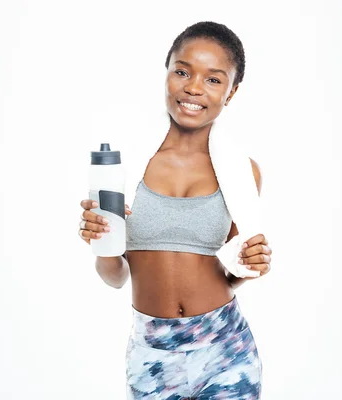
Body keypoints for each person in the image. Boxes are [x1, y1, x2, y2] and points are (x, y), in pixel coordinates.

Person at [78, 21, 272, 400]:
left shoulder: (242, 171)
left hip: (225, 347)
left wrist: (253, 263)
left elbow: (234, 272)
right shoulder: (123, 166)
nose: (194, 87)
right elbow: (115, 276)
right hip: (152, 353)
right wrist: (100, 242)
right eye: (182, 71)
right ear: (166, 73)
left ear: (231, 93)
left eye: (214, 80)